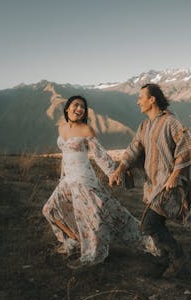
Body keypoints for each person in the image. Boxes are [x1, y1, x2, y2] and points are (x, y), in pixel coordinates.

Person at [42, 95, 158, 269]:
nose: (79, 109)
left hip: (83, 181)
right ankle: (73, 240)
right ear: (67, 108)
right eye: (76, 105)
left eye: (83, 107)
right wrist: (62, 177)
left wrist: (114, 172)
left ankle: (95, 253)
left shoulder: (86, 130)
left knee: (100, 217)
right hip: (67, 180)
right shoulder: (61, 128)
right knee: (49, 210)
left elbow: (99, 155)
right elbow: (65, 156)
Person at [109, 83, 191, 278]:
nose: (138, 101)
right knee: (156, 225)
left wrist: (174, 176)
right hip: (151, 185)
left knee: (149, 225)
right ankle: (164, 261)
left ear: (152, 99)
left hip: (168, 186)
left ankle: (182, 262)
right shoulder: (144, 125)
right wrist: (120, 169)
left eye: (141, 97)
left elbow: (187, 146)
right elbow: (133, 149)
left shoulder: (171, 121)